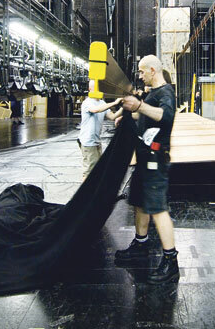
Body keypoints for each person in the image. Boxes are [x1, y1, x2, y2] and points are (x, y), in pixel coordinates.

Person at [115, 55, 179, 284]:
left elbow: (165, 116)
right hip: (143, 157)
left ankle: (171, 261)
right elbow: (146, 115)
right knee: (140, 202)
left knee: (157, 208)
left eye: (143, 72)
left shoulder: (165, 93)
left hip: (156, 159)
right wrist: (129, 116)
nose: (140, 76)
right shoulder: (153, 93)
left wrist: (140, 106)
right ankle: (140, 244)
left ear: (153, 70)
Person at [79, 81, 123, 180]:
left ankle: (92, 191)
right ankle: (85, 194)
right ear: (90, 89)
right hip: (88, 141)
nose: (100, 90)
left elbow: (112, 116)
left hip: (97, 141)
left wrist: (123, 107)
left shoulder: (101, 102)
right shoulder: (87, 102)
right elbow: (95, 110)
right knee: (89, 171)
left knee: (97, 168)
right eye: (97, 88)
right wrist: (115, 102)